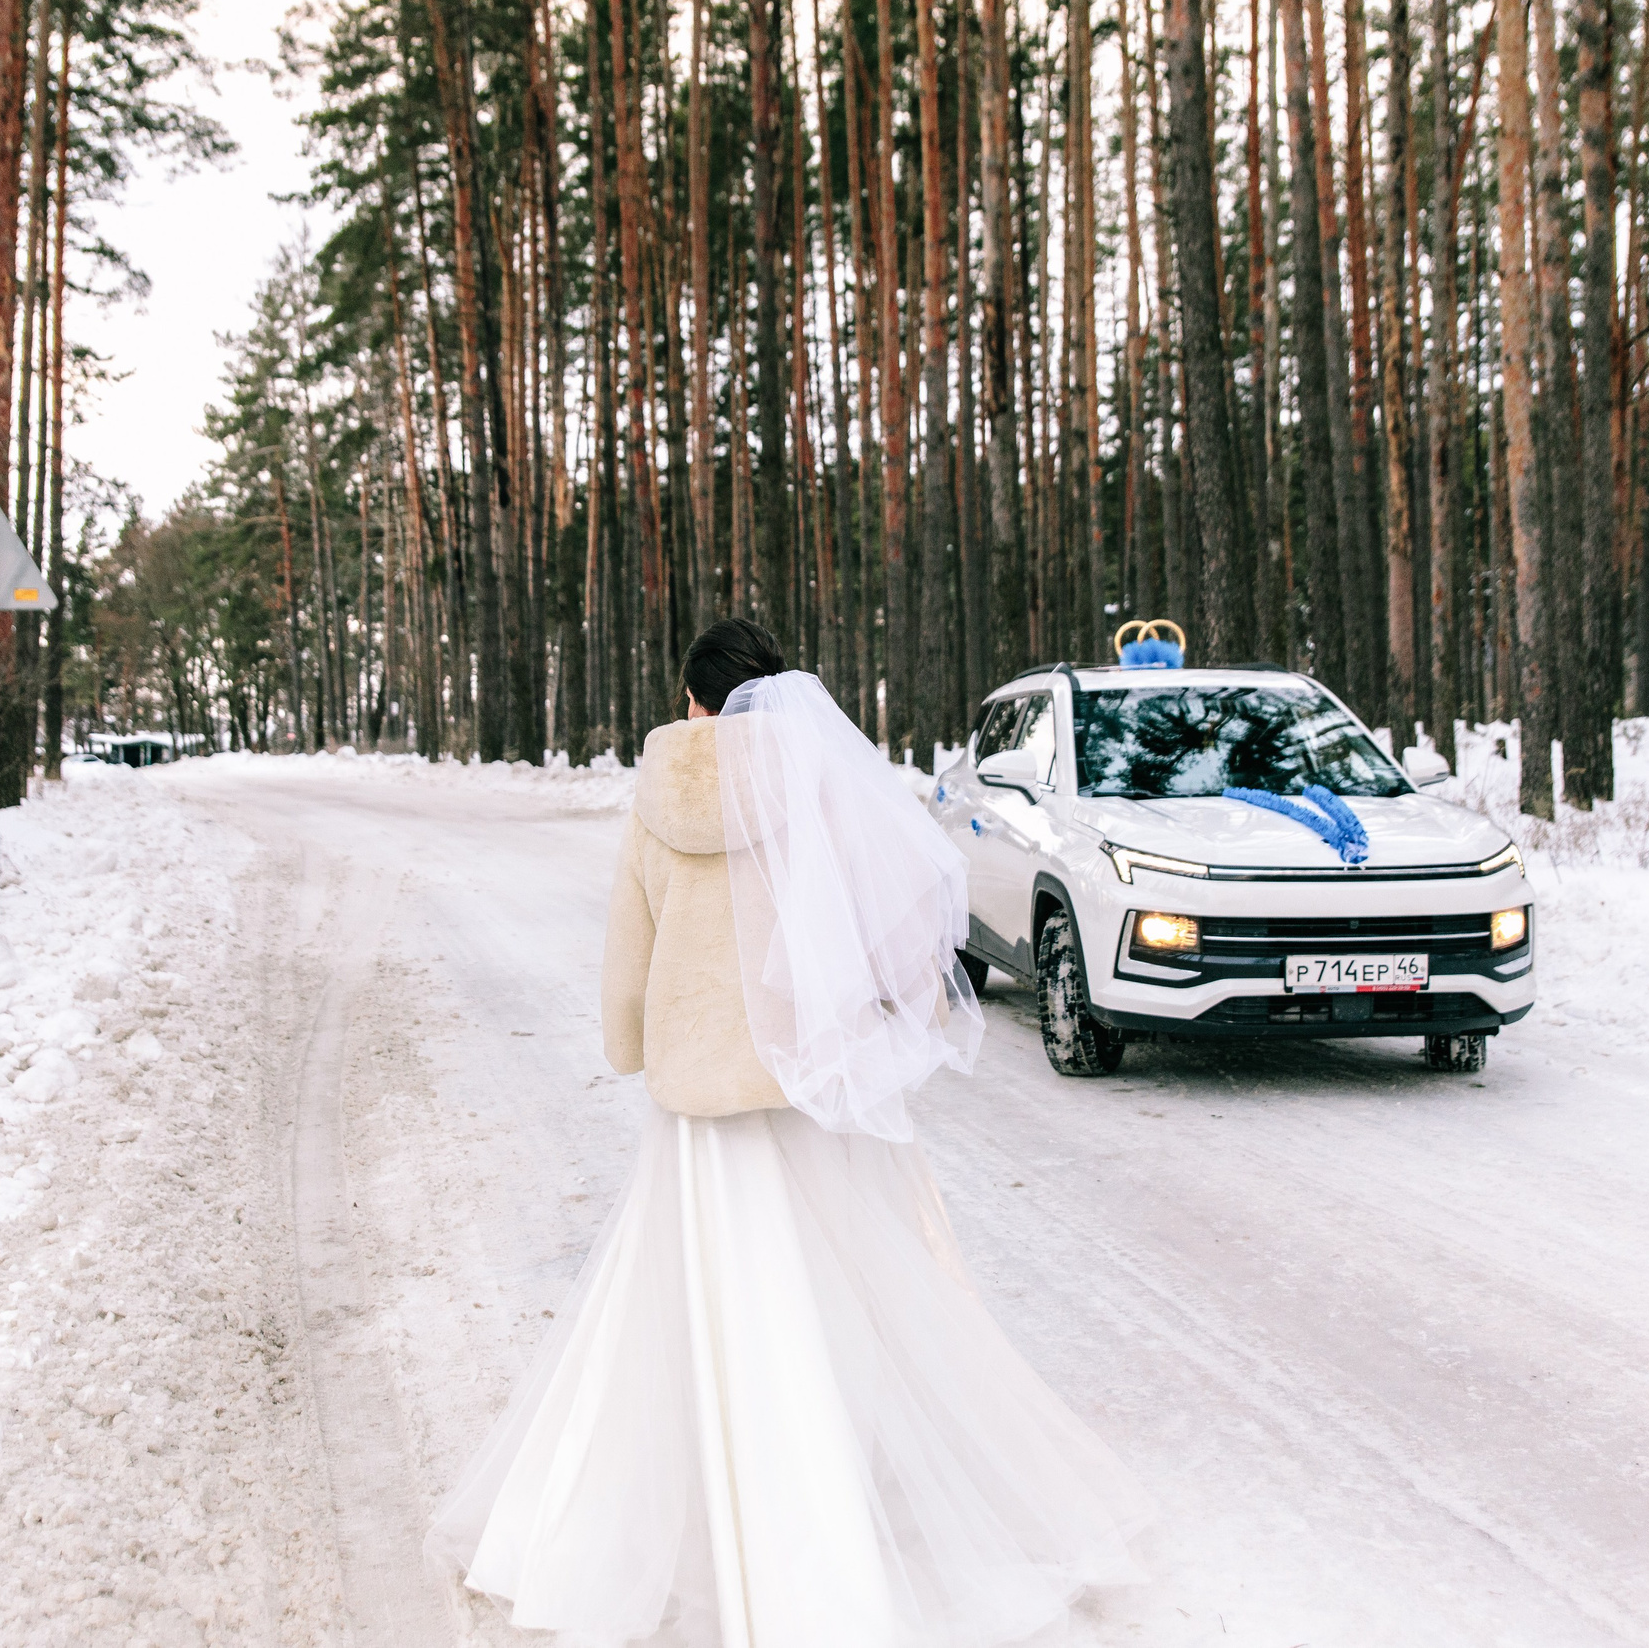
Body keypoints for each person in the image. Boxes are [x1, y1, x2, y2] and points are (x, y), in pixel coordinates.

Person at [428, 619, 1152, 1647]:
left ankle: (668, 1519)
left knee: (686, 1309)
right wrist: (884, 1020)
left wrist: (632, 1041)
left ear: (692, 704)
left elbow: (630, 938)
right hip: (805, 1087)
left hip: (695, 1093)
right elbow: (897, 920)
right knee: (826, 1297)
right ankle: (829, 1512)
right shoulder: (820, 785)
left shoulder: (655, 795)